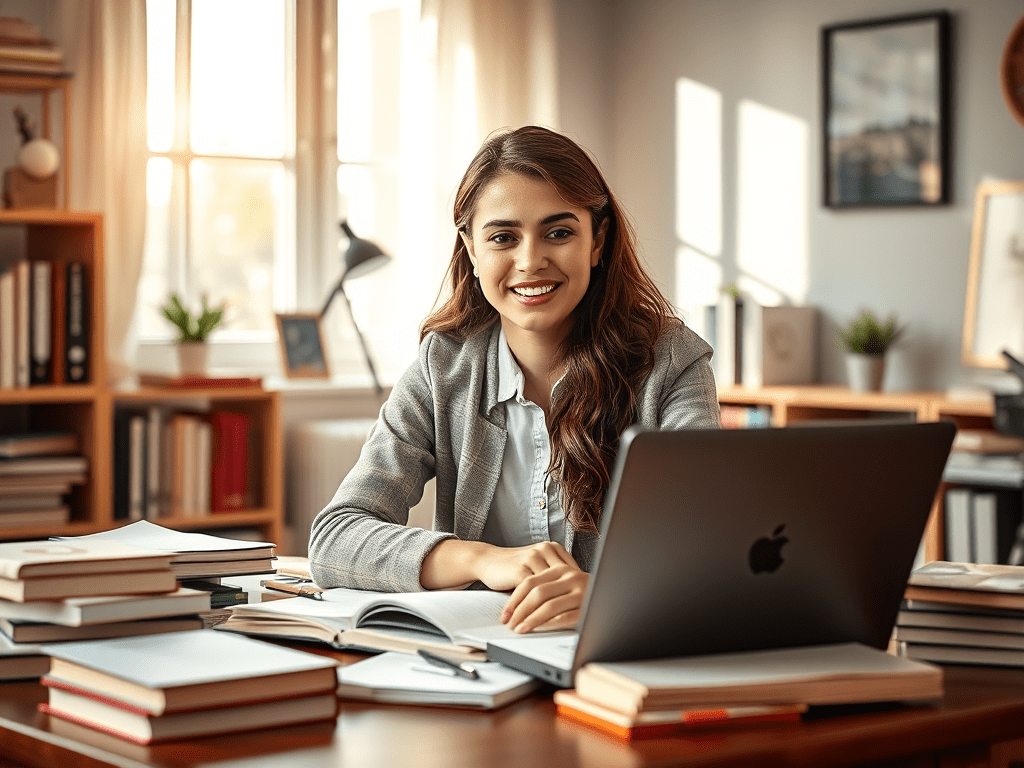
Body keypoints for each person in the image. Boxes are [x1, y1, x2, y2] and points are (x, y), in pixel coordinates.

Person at [308, 126, 719, 635]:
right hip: (479, 666)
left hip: (615, 660)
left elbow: (710, 548)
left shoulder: (671, 361)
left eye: (559, 232)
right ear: (472, 250)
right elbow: (336, 536)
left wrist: (607, 593)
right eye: (503, 237)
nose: (531, 261)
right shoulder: (445, 366)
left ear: (598, 241)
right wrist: (480, 560)